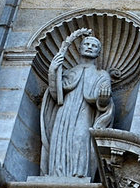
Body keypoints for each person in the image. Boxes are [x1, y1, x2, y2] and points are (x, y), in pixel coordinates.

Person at [39, 30, 113, 179]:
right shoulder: (69, 72)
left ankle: (80, 174)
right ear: (79, 49)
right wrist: (53, 71)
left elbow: (104, 103)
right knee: (61, 139)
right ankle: (56, 173)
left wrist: (104, 100)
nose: (90, 47)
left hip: (85, 113)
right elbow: (56, 95)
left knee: (80, 138)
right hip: (64, 112)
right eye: (86, 44)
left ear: (98, 52)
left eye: (94, 45)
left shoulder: (101, 75)